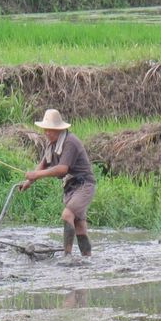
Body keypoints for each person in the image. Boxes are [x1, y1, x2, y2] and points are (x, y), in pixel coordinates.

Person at [19, 108, 97, 259]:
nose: (47, 133)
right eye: (45, 129)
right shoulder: (52, 144)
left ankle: (67, 256)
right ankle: (87, 257)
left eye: (51, 130)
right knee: (80, 225)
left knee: (67, 215)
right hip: (71, 188)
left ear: (59, 129)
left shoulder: (70, 142)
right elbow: (43, 164)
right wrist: (29, 181)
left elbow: (62, 169)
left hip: (83, 185)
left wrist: (36, 175)